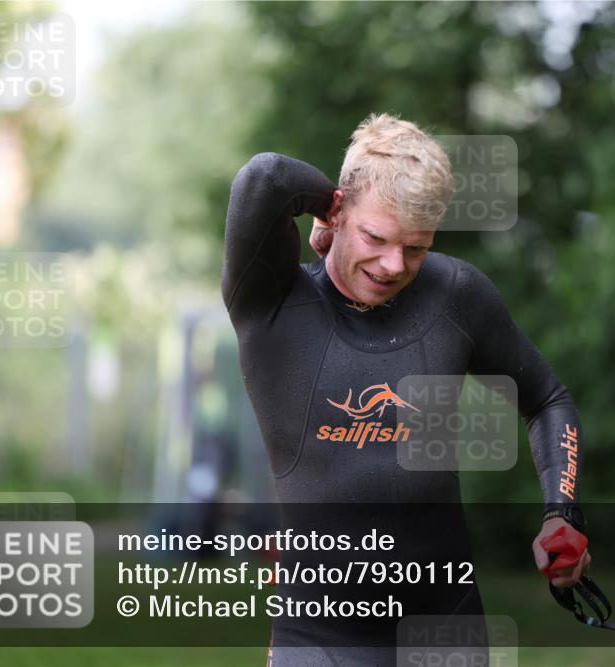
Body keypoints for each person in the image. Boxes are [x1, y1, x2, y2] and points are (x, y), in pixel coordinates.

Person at [222, 113, 590, 666]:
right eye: (376, 236)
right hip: (320, 637)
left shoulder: (456, 294)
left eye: (416, 248)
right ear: (340, 211)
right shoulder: (272, 300)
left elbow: (547, 400)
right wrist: (327, 203)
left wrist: (562, 513)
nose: (394, 264)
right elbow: (266, 176)